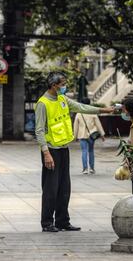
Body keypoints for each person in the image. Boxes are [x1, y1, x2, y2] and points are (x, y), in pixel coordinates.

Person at [35, 71, 115, 232]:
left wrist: (103, 111)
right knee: (51, 188)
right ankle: (47, 222)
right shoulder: (43, 103)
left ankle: (62, 221)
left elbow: (81, 107)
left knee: (64, 187)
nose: (65, 87)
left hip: (64, 149)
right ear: (53, 85)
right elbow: (39, 131)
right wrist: (46, 153)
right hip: (51, 150)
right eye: (62, 84)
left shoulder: (62, 99)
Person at [73, 97, 105, 174]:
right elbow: (98, 124)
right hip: (92, 135)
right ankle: (92, 168)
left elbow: (75, 125)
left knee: (84, 151)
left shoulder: (79, 113)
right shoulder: (92, 113)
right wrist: (102, 134)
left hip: (82, 135)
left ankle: (85, 169)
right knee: (91, 151)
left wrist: (74, 136)